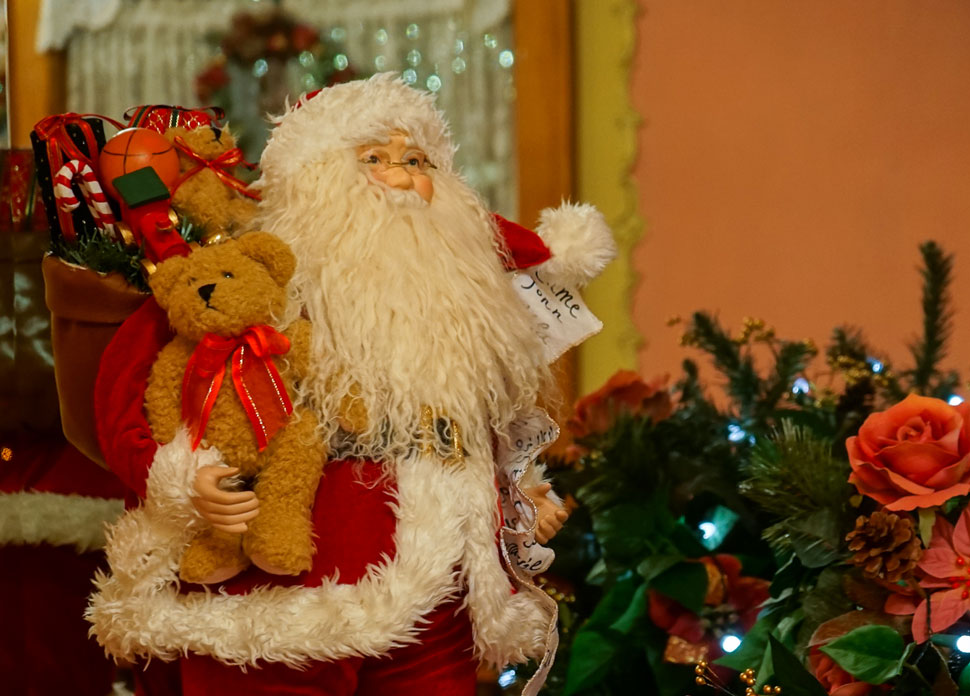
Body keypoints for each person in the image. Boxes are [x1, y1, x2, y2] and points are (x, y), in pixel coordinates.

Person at [87, 73, 615, 695]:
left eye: (416, 161)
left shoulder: (466, 302)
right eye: (372, 157)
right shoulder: (251, 274)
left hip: (432, 606)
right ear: (315, 177)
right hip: (279, 608)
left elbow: (474, 432)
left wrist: (520, 497)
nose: (399, 175)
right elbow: (124, 388)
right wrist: (180, 475)